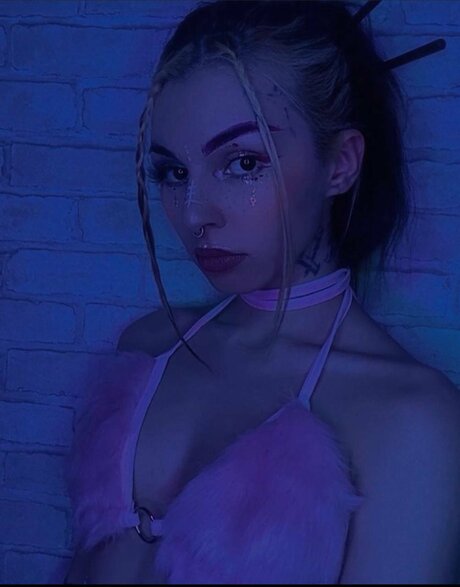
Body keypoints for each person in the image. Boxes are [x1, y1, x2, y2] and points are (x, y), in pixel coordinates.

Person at [62, 0, 460, 583]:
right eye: (173, 172)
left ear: (340, 164)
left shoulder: (412, 421)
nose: (195, 214)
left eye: (243, 163)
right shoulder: (146, 348)